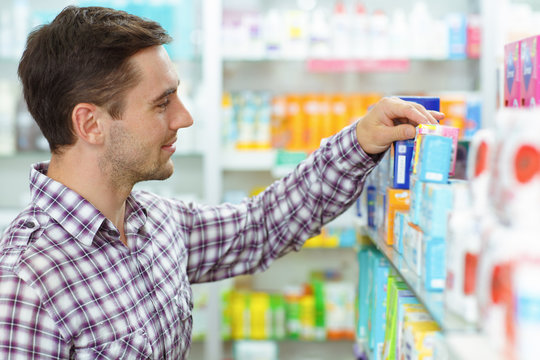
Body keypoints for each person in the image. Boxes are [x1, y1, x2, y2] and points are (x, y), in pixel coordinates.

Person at [0, 5, 443, 360]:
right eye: (162, 104)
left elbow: (262, 224)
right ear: (90, 124)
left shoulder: (153, 221)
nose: (185, 118)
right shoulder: (26, 284)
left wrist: (361, 141)